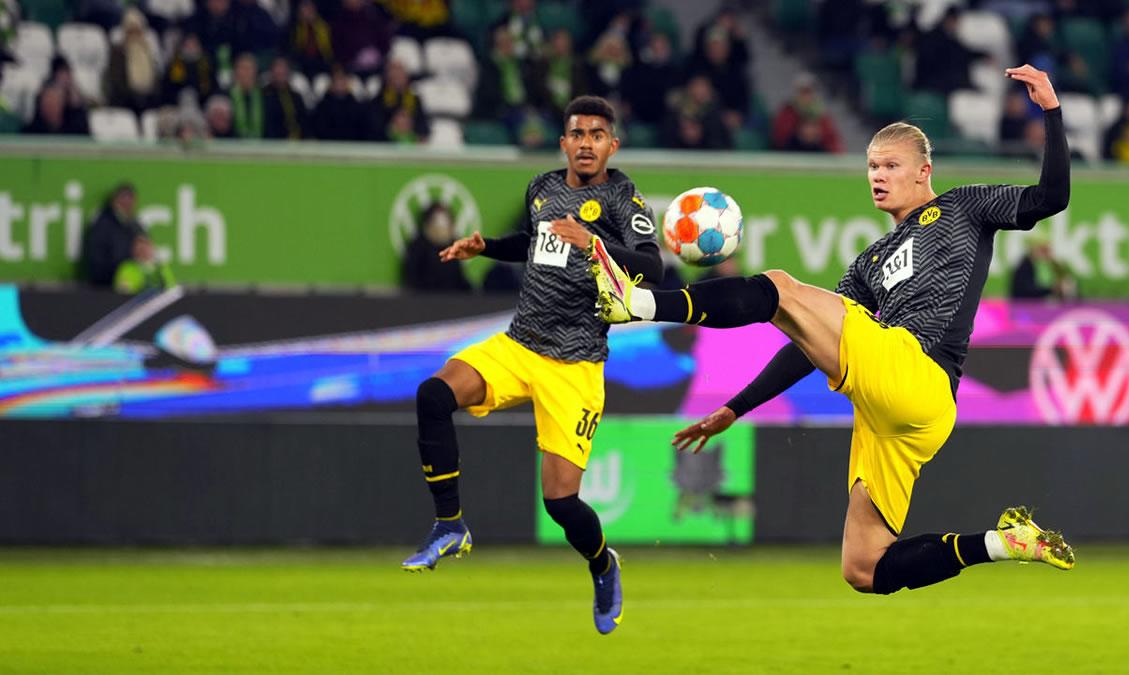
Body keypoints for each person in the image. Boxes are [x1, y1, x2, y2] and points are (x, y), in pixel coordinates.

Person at [589, 65, 1076, 596]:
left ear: (924, 171)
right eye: (871, 166)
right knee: (864, 570)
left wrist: (1050, 111)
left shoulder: (963, 206)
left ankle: (636, 301)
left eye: (891, 165)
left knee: (779, 286)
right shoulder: (869, 263)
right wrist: (736, 407)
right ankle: (1004, 543)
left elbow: (1049, 197)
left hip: (917, 370)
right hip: (897, 414)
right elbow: (808, 346)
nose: (878, 175)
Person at [402, 96, 663, 635]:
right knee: (433, 395)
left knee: (561, 503)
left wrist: (594, 242)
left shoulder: (622, 199)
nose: (586, 142)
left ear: (612, 145)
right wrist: (487, 247)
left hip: (575, 364)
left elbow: (652, 266)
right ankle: (449, 524)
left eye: (597, 133)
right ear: (563, 142)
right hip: (519, 344)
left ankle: (602, 564)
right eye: (577, 133)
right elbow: (536, 241)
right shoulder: (542, 187)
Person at [83, 183, 151, 288]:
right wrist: (130, 256)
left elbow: (146, 254)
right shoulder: (103, 225)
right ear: (114, 201)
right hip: (105, 288)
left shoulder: (136, 225)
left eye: (130, 199)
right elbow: (96, 262)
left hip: (134, 287)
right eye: (124, 199)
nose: (127, 203)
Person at [104, 9, 160, 114]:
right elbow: (116, 83)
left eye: (137, 31)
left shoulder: (148, 52)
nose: (134, 35)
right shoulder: (118, 53)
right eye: (131, 31)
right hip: (125, 101)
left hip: (148, 100)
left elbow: (156, 81)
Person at [1010, 232, 1075, 300]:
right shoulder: (1024, 267)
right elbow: (1028, 290)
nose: (1046, 254)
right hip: (1025, 307)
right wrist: (1052, 289)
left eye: (1048, 250)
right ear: (1032, 250)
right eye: (1042, 250)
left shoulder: (1052, 265)